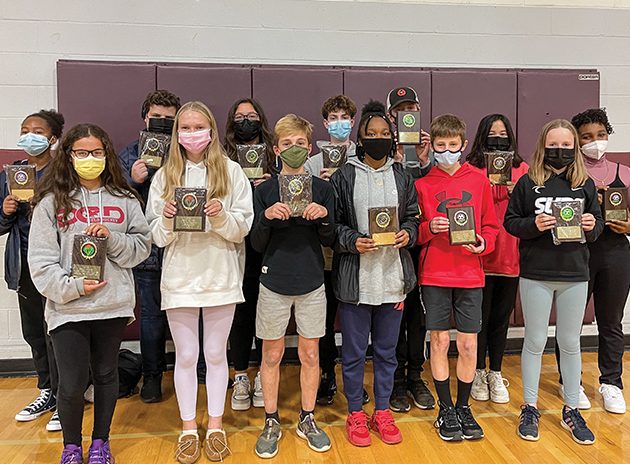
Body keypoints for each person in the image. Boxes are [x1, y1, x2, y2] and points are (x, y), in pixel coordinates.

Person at [28, 123, 152, 464]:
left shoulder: (124, 199)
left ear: (106, 155)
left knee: (106, 375)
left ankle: (100, 443)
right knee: (70, 383)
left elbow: (141, 248)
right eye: (81, 152)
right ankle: (71, 447)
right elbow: (40, 262)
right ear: (68, 156)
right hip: (68, 308)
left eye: (96, 152)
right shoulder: (50, 203)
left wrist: (111, 239)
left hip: (111, 305)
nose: (89, 158)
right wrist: (74, 287)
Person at [146, 101, 253, 463]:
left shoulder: (232, 171)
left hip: (220, 275)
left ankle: (217, 425)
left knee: (214, 354)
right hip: (179, 279)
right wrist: (167, 218)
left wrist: (222, 216)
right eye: (186, 128)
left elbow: (242, 229)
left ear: (211, 130)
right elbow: (155, 237)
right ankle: (189, 428)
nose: (193, 134)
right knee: (187, 355)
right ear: (177, 133)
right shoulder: (164, 176)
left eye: (199, 126)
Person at [504, 119, 604, 445]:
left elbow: (599, 226)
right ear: (542, 146)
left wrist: (591, 223)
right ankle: (530, 406)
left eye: (565, 145)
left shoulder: (584, 184)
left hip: (575, 273)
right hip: (537, 273)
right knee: (534, 341)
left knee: (570, 343)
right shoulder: (528, 183)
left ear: (574, 148)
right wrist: (533, 224)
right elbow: (511, 223)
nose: (559, 151)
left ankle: (572, 409)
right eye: (553, 145)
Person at [331, 100, 419, 447]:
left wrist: (408, 233)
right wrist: (353, 241)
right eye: (372, 134)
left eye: (385, 134)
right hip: (356, 281)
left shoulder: (403, 175)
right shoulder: (344, 176)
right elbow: (332, 226)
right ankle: (355, 412)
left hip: (392, 281)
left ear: (392, 138)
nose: (379, 139)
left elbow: (413, 216)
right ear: (361, 139)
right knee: (353, 354)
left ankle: (382, 411)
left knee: (386, 353)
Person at [251, 114, 334, 458]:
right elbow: (256, 244)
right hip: (274, 280)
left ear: (310, 147)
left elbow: (331, 239)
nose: (294, 149)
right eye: (287, 144)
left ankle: (307, 417)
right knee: (271, 354)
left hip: (312, 279)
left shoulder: (324, 189)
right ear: (275, 149)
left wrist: (323, 217)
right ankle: (271, 419)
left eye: (301, 143)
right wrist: (267, 218)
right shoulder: (266, 190)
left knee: (310, 353)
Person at [416, 114, 499, 442]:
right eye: (441, 146)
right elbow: (415, 229)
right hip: (435, 273)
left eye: (453, 146)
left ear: (463, 145)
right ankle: (445, 408)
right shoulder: (423, 184)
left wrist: (483, 243)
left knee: (467, 343)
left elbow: (491, 226)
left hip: (469, 272)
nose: (447, 151)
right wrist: (428, 228)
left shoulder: (479, 180)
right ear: (432, 147)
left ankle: (464, 407)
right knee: (438, 340)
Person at [554, 108, 629, 414]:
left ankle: (611, 383)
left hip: (615, 253)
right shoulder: (567, 174)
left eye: (600, 135)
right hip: (576, 253)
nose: (594, 142)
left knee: (611, 322)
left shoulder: (623, 172)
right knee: (569, 324)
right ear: (576, 141)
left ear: (608, 135)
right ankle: (569, 380)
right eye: (586, 137)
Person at [304, 95, 370, 406]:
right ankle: (327, 373)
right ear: (325, 123)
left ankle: (354, 379)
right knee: (325, 319)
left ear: (353, 122)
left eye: (346, 116)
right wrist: (321, 186)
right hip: (323, 253)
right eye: (334, 116)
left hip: (356, 249)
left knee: (356, 321)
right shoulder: (312, 162)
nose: (340, 121)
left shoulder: (364, 156)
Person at [1, 109, 63, 432]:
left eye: (37, 131)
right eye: (24, 130)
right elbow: (0, 225)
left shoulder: (63, 174)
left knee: (56, 332)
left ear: (52, 139)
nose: (30, 136)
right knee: (33, 332)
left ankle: (65, 396)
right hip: (22, 264)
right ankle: (47, 390)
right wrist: (6, 210)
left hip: (53, 266)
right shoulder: (13, 173)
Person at [119, 89, 181, 403]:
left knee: (191, 313)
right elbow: (114, 199)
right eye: (156, 117)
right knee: (152, 317)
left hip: (184, 247)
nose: (161, 123)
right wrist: (132, 179)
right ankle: (153, 376)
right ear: (145, 117)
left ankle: (199, 369)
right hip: (147, 251)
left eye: (169, 119)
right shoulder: (130, 154)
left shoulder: (186, 153)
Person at [466, 114, 528, 404]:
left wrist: (520, 195)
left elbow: (533, 212)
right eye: (493, 133)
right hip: (478, 256)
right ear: (482, 136)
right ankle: (477, 370)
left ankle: (496, 371)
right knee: (479, 319)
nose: (499, 138)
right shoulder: (470, 169)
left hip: (510, 255)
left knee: (501, 319)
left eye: (504, 134)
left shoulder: (522, 169)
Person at [224, 97, 276, 411]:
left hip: (270, 245)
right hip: (235, 245)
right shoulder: (223, 158)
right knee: (240, 312)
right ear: (232, 121)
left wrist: (271, 185)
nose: (246, 120)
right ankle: (241, 374)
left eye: (252, 115)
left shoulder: (275, 155)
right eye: (240, 116)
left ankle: (263, 374)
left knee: (266, 312)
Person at [386, 86, 436, 412]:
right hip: (393, 242)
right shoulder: (380, 147)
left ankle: (416, 374)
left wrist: (424, 159)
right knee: (392, 312)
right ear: (391, 115)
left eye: (412, 108)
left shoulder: (429, 149)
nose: (406, 113)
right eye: (400, 109)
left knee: (418, 314)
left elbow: (437, 190)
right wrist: (397, 161)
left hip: (425, 243)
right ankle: (396, 380)